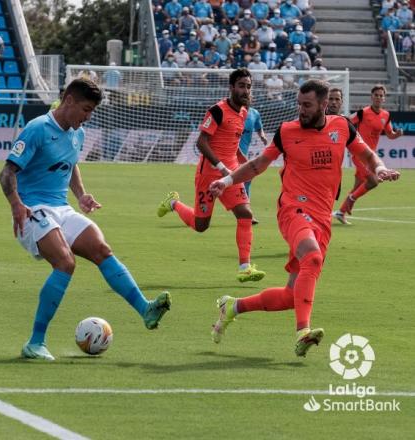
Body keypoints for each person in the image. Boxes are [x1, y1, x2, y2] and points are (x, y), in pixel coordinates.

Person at [208, 79, 400, 357]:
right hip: (293, 210)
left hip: (321, 216)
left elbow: (368, 155)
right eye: (299, 104)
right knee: (312, 256)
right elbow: (258, 164)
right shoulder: (286, 131)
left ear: (324, 104)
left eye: (307, 105)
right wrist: (227, 180)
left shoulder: (342, 127)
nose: (301, 110)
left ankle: (233, 306)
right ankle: (303, 332)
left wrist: (380, 168)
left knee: (291, 295)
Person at [0, 78, 172, 361]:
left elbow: (71, 162)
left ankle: (146, 309)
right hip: (32, 210)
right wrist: (16, 204)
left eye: (92, 111)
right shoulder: (37, 129)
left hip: (61, 208)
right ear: (68, 101)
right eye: (85, 109)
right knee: (65, 263)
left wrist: (80, 195)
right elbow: (7, 172)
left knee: (102, 249)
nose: (88, 116)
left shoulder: (77, 133)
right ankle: (35, 342)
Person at [157, 68, 266, 283]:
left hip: (231, 174)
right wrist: (221, 167)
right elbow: (201, 142)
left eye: (249, 86)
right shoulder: (217, 110)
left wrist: (242, 164)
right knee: (201, 226)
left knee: (245, 213)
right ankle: (174, 204)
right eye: (242, 86)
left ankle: (245, 267)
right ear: (232, 87)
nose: (246, 90)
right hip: (209, 174)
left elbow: (232, 144)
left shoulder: (244, 112)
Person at [333, 85, 404, 224]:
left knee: (358, 187)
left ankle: (341, 212)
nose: (378, 97)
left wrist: (397, 134)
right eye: (376, 95)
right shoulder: (362, 113)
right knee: (373, 181)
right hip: (359, 154)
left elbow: (390, 135)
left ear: (384, 98)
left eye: (381, 95)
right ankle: (350, 200)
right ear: (371, 97)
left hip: (371, 157)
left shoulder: (386, 115)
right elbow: (347, 122)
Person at [238, 103, 268, 225]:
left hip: (242, 153)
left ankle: (246, 214)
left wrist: (262, 136)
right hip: (230, 152)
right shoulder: (234, 113)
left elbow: (259, 127)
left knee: (246, 179)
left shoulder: (254, 114)